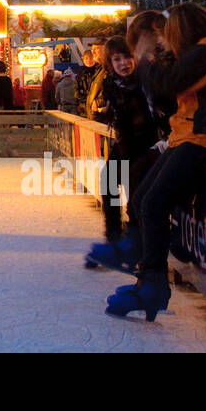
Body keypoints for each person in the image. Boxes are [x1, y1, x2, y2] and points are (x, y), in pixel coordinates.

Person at [104, 4, 206, 322]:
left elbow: (168, 83)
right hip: (190, 138)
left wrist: (146, 56)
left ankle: (153, 286)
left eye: (166, 36)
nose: (165, 44)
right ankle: (149, 280)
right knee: (144, 197)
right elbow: (170, 91)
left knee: (154, 201)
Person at [85, 37, 167, 255]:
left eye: (127, 57)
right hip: (126, 144)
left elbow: (158, 113)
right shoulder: (112, 84)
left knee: (136, 195)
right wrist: (105, 114)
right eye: (117, 59)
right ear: (110, 64)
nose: (123, 63)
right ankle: (115, 237)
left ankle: (139, 245)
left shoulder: (145, 81)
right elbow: (120, 118)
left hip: (149, 145)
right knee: (108, 182)